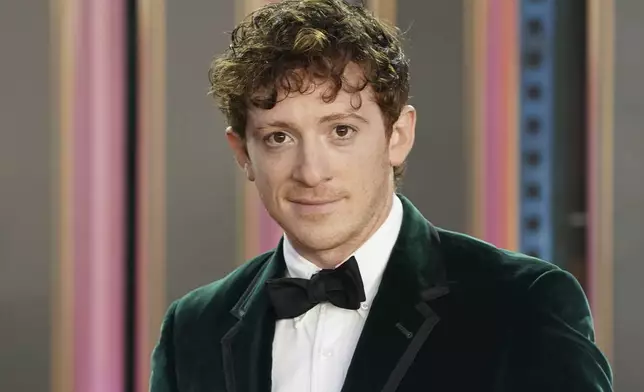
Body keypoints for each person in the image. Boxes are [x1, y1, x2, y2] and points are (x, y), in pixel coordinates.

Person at [150, 0, 613, 391]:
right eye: (279, 138)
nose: (312, 172)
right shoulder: (193, 329)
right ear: (243, 154)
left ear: (398, 135)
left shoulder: (522, 305)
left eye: (342, 131)